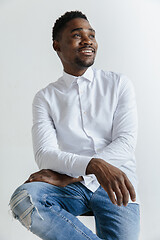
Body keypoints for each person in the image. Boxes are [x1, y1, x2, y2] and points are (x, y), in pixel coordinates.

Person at [9, 11, 140, 240]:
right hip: (70, 187)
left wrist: (81, 175)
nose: (88, 40)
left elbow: (126, 143)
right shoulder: (46, 97)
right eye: (77, 35)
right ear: (57, 45)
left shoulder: (118, 84)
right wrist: (92, 167)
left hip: (116, 183)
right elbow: (45, 154)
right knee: (25, 199)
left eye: (92, 35)